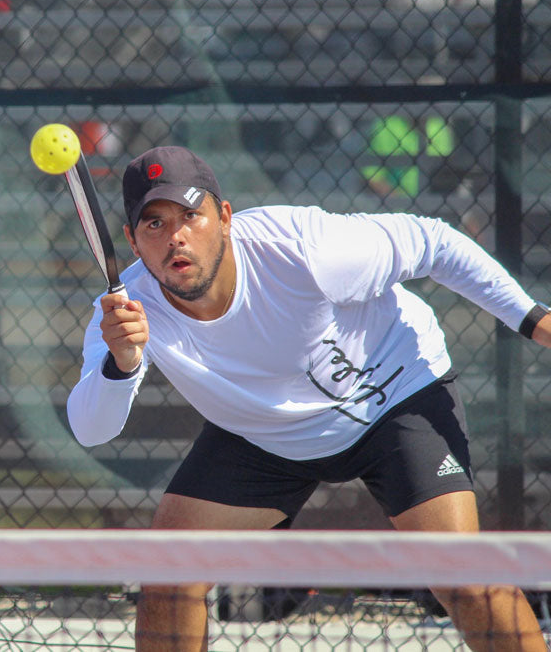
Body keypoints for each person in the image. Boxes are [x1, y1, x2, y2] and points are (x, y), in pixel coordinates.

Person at [66, 145, 551, 652]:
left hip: (392, 398)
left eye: (191, 215)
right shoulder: (124, 311)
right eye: (154, 224)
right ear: (133, 242)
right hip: (261, 434)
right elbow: (91, 428)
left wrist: (532, 319)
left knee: (464, 579)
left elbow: (434, 242)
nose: (177, 236)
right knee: (168, 577)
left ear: (224, 216)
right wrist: (121, 364)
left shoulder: (304, 248)